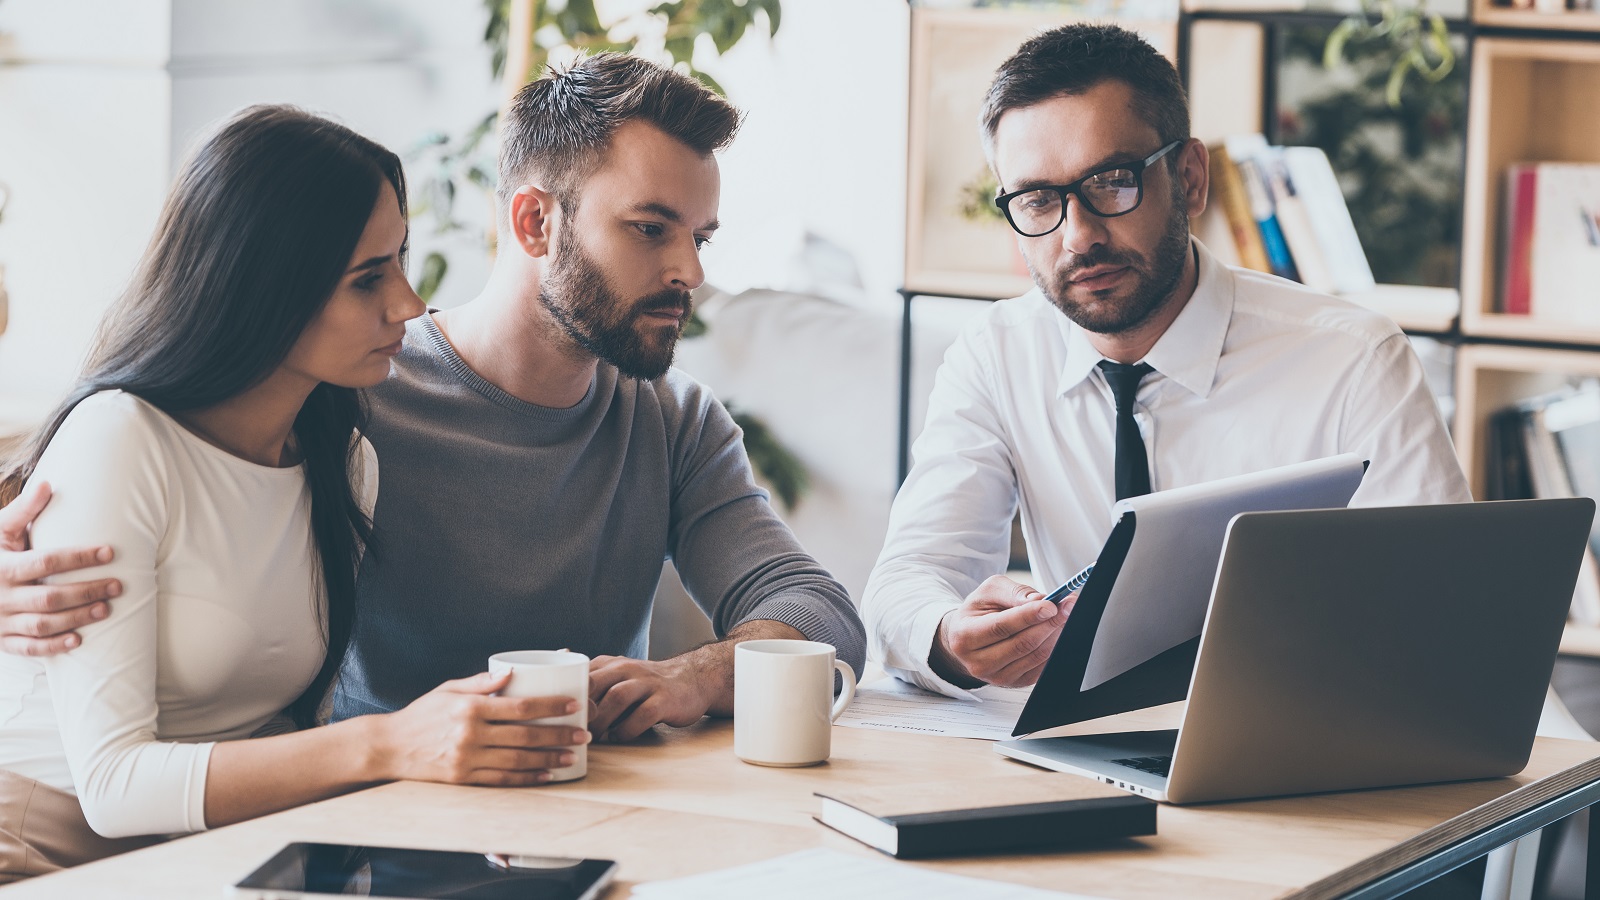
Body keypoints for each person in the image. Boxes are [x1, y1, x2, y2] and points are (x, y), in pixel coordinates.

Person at [0, 54, 865, 742]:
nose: (690, 272)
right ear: (534, 223)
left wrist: (699, 674)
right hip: (365, 843)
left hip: (593, 835)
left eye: (700, 237)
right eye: (650, 229)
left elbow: (819, 612)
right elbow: (142, 444)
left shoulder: (674, 422)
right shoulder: (350, 386)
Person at [0, 106, 594, 882]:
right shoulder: (121, 440)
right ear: (262, 285)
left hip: (225, 858)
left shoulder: (344, 461)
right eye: (367, 279)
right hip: (48, 855)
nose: (410, 306)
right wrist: (392, 743)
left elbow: (288, 733)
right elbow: (112, 790)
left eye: (400, 263)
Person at [863, 24, 1471, 699]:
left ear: (1190, 177)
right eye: (1038, 199)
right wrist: (948, 637)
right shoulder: (997, 354)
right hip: (1083, 754)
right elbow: (907, 578)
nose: (1079, 235)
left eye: (1112, 182)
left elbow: (1441, 616)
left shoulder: (1353, 361)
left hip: (1307, 727)